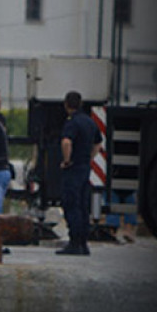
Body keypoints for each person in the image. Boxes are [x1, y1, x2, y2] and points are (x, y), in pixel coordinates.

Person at [57, 90, 102, 256]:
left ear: (66, 105)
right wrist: (89, 157)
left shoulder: (72, 122)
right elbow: (98, 144)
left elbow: (66, 141)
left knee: (71, 203)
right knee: (83, 206)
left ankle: (74, 242)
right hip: (85, 167)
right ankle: (83, 243)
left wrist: (67, 160)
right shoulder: (90, 122)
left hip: (74, 168)